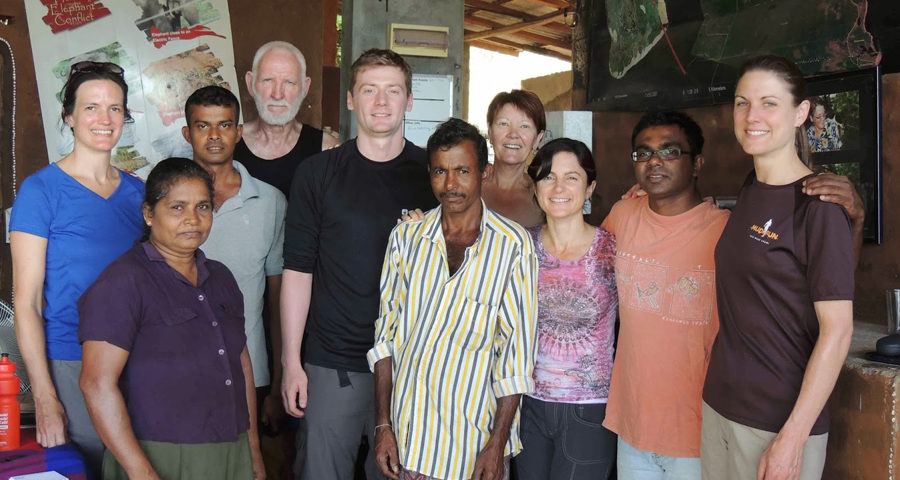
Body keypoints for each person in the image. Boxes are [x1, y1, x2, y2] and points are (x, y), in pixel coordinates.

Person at [280, 48, 437, 479]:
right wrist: (292, 361)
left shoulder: (434, 175)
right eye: (370, 90)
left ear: (408, 100)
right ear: (351, 99)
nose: (381, 102)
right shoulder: (318, 173)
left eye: (393, 91)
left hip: (411, 364)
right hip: (334, 361)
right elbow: (298, 271)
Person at [702, 55, 855, 480]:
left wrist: (793, 438)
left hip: (776, 423)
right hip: (720, 406)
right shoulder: (751, 189)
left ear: (801, 112)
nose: (752, 116)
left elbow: (838, 330)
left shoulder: (819, 209)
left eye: (769, 103)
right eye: (742, 103)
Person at [369, 118, 537, 480]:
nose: (450, 185)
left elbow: (515, 358)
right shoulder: (406, 239)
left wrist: (496, 445)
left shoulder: (513, 246)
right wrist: (383, 426)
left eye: (463, 170)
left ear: (484, 173)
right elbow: (385, 340)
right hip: (409, 444)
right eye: (440, 172)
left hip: (473, 450)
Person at [78, 158, 265, 479]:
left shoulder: (221, 278)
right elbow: (96, 384)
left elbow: (240, 364)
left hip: (230, 450)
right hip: (158, 454)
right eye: (177, 208)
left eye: (203, 206)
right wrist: (141, 472)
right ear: (149, 213)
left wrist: (253, 450)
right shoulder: (123, 282)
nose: (192, 219)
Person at [9, 61, 144, 474]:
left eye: (115, 108)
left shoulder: (139, 192)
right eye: (91, 107)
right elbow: (27, 303)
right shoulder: (40, 191)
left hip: (139, 360)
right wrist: (46, 398)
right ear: (68, 115)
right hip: (73, 361)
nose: (104, 119)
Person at [601, 111, 730, 479]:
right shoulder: (623, 215)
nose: (654, 161)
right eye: (643, 153)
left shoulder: (725, 231)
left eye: (669, 151)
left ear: (697, 164)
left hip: (699, 433)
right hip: (634, 428)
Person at [181, 85, 287, 467]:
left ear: (239, 132)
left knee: (248, 467)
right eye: (202, 126)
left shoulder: (270, 202)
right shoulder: (163, 200)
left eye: (224, 125)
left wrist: (276, 384)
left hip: (250, 372)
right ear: (186, 133)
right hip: (179, 369)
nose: (214, 137)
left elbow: (276, 301)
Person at [513, 138, 617, 480]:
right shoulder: (519, 247)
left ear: (590, 188)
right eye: (548, 177)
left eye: (572, 177)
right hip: (527, 406)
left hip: (590, 409)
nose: (558, 187)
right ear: (536, 185)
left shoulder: (614, 248)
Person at [235, 41, 340, 198]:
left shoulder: (326, 149)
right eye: (268, 80)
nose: (277, 94)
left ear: (305, 87)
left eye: (289, 82)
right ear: (250, 83)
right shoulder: (227, 144)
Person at [481, 90, 547, 227]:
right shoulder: (469, 184)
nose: (513, 134)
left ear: (538, 139)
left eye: (524, 126)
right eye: (504, 124)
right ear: (490, 132)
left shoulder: (542, 195)